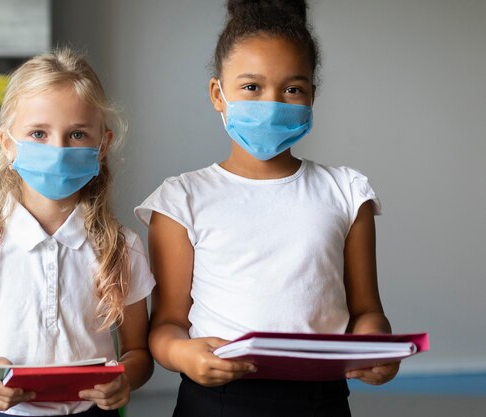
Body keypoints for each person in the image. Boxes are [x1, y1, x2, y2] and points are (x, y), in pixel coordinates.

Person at [135, 0, 399, 415]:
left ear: (312, 95)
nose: (271, 103)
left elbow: (367, 311)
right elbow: (167, 324)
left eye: (293, 89)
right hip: (216, 400)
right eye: (251, 87)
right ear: (217, 94)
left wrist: (377, 348)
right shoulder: (180, 199)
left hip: (322, 400)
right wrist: (185, 356)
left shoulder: (348, 192)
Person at [0, 48, 155, 417]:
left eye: (77, 133)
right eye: (38, 133)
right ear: (8, 145)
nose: (58, 149)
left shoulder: (123, 247)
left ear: (103, 145)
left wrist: (125, 379)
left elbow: (138, 353)